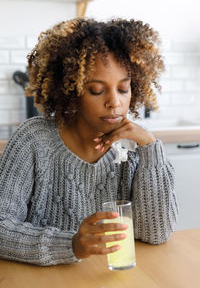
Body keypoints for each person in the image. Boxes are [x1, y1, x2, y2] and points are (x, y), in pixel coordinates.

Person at [0, 18, 179, 266]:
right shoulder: (33, 140)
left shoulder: (134, 149)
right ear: (70, 91)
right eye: (97, 90)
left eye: (123, 89)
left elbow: (157, 234)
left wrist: (150, 148)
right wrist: (71, 245)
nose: (114, 103)